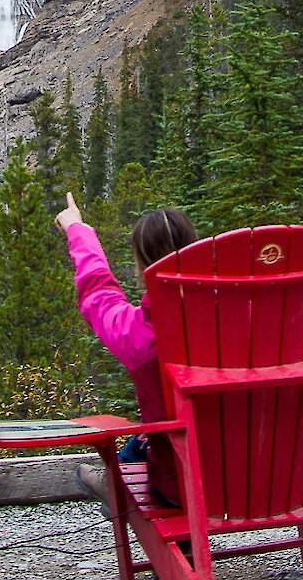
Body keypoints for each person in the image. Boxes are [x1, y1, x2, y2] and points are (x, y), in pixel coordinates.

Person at [55, 194, 200, 509]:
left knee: (151, 441)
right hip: (271, 474)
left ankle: (112, 484)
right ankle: (114, 477)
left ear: (142, 264)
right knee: (145, 442)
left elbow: (99, 292)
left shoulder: (141, 336)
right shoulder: (245, 316)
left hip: (183, 488)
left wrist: (77, 230)